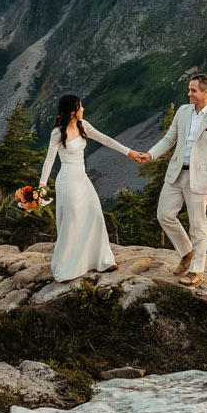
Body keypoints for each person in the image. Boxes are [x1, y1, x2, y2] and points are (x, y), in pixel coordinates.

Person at [36, 92, 142, 282]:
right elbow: (49, 160)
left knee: (94, 214)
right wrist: (42, 185)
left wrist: (129, 152)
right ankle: (68, 266)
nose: (83, 108)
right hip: (67, 181)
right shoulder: (57, 133)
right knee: (72, 220)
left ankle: (102, 260)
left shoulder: (83, 125)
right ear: (72, 110)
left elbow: (106, 139)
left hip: (82, 179)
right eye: (80, 106)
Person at [146, 70, 207, 283]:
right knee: (164, 214)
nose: (189, 94)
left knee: (197, 224)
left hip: (199, 178)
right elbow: (169, 139)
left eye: (193, 90)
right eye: (189, 90)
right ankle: (186, 252)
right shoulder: (183, 111)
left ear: (205, 90)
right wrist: (150, 154)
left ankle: (197, 271)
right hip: (176, 173)